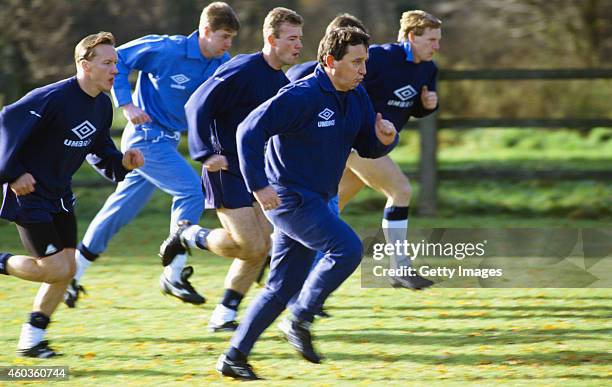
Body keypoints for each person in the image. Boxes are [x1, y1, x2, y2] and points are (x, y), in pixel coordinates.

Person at [216, 26, 398, 380]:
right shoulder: (302, 95)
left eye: (366, 61)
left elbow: (367, 147)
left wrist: (386, 138)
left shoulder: (356, 96)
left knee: (281, 286)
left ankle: (233, 356)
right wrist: (258, 184)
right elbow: (248, 131)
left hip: (318, 198)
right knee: (346, 249)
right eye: (356, 61)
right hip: (291, 200)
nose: (364, 69)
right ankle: (300, 317)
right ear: (330, 61)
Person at [64, 2, 240, 308]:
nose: (228, 44)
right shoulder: (167, 49)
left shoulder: (221, 62)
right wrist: (126, 103)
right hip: (146, 138)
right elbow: (117, 60)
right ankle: (173, 273)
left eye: (231, 38)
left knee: (119, 211)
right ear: (206, 31)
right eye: (224, 36)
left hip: (167, 143)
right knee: (191, 190)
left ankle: (71, 275)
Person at [0, 32, 145, 357]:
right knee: (53, 268)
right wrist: (11, 173)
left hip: (60, 196)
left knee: (69, 267)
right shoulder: (52, 98)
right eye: (107, 63)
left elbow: (101, 152)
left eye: (116, 64)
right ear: (84, 65)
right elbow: (6, 119)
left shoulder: (102, 107)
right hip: (30, 194)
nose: (115, 71)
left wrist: (124, 163)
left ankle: (32, 339)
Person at [160, 7, 304, 332]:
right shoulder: (242, 68)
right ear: (271, 39)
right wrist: (204, 152)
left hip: (255, 173)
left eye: (300, 39)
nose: (298, 45)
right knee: (251, 245)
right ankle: (187, 234)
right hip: (222, 167)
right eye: (292, 38)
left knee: (261, 247)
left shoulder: (281, 82)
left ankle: (224, 314)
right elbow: (197, 103)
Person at [286, 10, 442, 290]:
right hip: (357, 142)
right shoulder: (382, 57)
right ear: (411, 37)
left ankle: (296, 269)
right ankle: (400, 268)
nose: (436, 46)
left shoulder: (429, 69)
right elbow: (327, 76)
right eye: (431, 39)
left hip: (373, 144)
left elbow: (414, 106)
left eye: (437, 40)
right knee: (401, 190)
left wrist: (428, 105)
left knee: (332, 207)